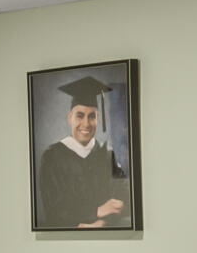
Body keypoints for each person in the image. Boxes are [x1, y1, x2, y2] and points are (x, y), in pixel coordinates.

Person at [36, 75, 131, 228]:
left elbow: (125, 200)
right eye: (80, 115)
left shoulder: (108, 156)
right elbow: (54, 210)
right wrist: (97, 211)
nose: (86, 124)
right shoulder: (52, 157)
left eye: (92, 116)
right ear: (69, 117)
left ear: (98, 119)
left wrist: (102, 223)